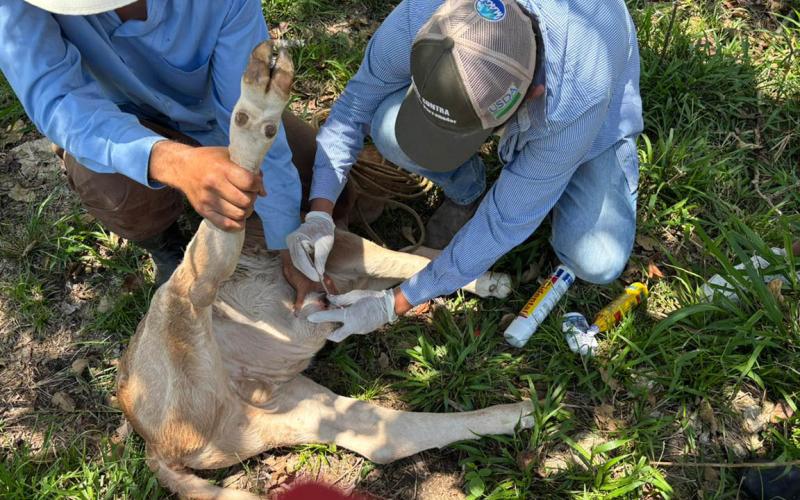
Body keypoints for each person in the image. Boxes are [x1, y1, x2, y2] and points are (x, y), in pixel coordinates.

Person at [289, 0, 644, 341]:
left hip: (592, 111)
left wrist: (393, 303)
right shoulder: (430, 13)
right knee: (388, 128)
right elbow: (355, 107)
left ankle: (578, 166)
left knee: (597, 260)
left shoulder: (577, 95)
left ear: (532, 94)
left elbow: (503, 222)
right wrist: (320, 213)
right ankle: (470, 190)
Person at [0, 0, 347, 295]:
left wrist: (286, 239)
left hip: (212, 118)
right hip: (120, 123)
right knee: (112, 187)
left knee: (317, 183)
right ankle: (164, 242)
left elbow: (251, 110)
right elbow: (62, 103)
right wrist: (174, 162)